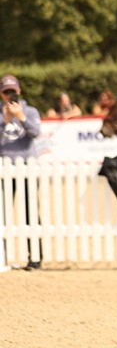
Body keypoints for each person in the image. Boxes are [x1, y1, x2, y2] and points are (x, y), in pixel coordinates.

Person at [0, 74, 44, 269]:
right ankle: (4, 255)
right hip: (4, 169)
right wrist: (4, 122)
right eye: (6, 91)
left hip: (27, 168)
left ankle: (35, 257)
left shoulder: (31, 111)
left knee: (30, 213)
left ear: (19, 91)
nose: (10, 95)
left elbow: (35, 133)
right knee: (3, 215)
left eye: (13, 91)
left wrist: (21, 118)